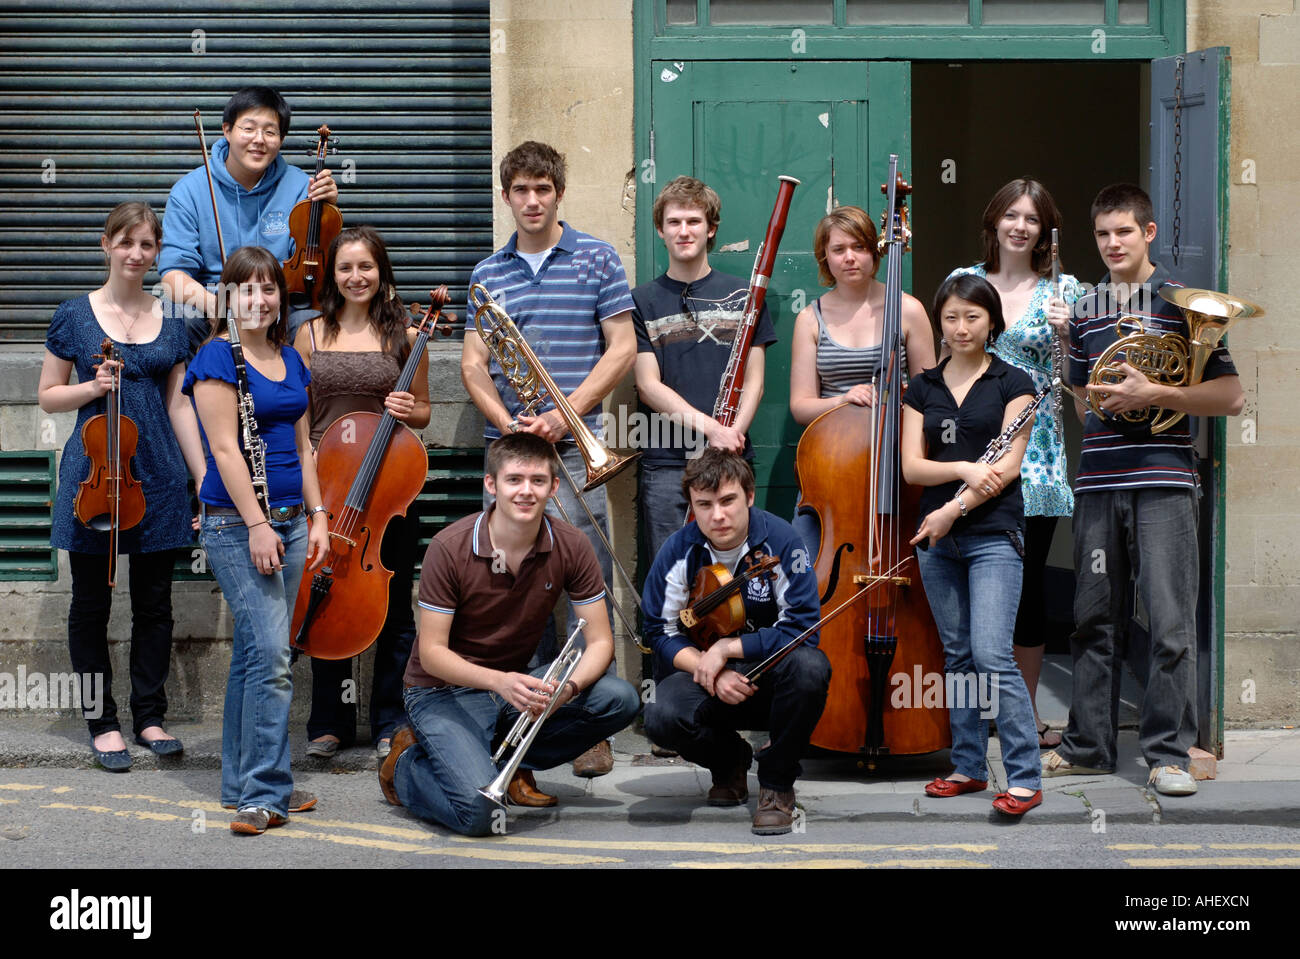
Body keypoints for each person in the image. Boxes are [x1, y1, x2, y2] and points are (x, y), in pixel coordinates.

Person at [1047, 183, 1243, 796]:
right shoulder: (1086, 308)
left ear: (1148, 232)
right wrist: (1066, 351)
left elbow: (1231, 398)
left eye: (1123, 232)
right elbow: (1085, 409)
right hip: (1101, 483)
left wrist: (1156, 394)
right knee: (1093, 620)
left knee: (1169, 623)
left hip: (1163, 480)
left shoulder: (1184, 304)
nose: (1111, 244)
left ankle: (1167, 754)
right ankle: (1088, 749)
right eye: (1102, 234)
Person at [459, 140, 636, 777]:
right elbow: (475, 364)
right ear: (507, 196)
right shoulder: (488, 273)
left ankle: (589, 728)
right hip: (514, 458)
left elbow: (620, 348)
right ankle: (517, 723)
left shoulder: (596, 257)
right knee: (508, 593)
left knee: (584, 587)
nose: (531, 201)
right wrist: (510, 425)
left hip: (575, 449)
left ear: (558, 192)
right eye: (520, 190)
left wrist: (566, 414)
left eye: (542, 189)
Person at [379, 432, 641, 836]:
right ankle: (406, 767)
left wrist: (566, 690)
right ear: (491, 485)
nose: (526, 491)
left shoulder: (571, 544)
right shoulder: (450, 547)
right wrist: (499, 682)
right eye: (514, 480)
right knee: (478, 814)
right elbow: (431, 654)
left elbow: (601, 643)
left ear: (554, 487)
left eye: (538, 481)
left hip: (514, 685)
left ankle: (508, 764)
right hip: (441, 690)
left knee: (618, 699)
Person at [38, 202, 207, 771]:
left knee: (154, 605)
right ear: (105, 244)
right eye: (126, 242)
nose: (136, 254)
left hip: (156, 475)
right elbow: (47, 395)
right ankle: (102, 722)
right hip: (93, 478)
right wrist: (92, 388)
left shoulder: (174, 321)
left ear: (158, 252)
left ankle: (149, 715)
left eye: (147, 245)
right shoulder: (74, 316)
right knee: (90, 604)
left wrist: (202, 478)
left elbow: (180, 405)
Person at [183, 246, 330, 834]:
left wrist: (317, 516)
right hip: (236, 523)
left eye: (269, 288)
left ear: (280, 298)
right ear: (229, 297)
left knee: (253, 654)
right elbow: (222, 449)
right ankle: (267, 793)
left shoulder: (293, 360)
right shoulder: (219, 358)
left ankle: (241, 781)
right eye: (246, 289)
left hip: (294, 519)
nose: (259, 299)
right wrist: (257, 524)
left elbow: (303, 448)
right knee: (272, 657)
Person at [946, 178, 1082, 748]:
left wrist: (1067, 331)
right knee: (968, 585)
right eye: (1011, 216)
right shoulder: (963, 283)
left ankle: (1018, 715)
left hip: (1038, 452)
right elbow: (942, 363)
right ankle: (969, 719)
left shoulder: (1067, 288)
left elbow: (1081, 382)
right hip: (973, 447)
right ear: (994, 221)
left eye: (1032, 219)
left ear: (1045, 229)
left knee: (1025, 588)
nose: (1020, 226)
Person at [901, 272, 1043, 816]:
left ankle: (1024, 775)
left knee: (991, 654)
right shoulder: (924, 387)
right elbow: (912, 465)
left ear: (992, 323)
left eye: (973, 317)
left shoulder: (1016, 383)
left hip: (992, 537)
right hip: (936, 541)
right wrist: (963, 467)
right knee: (957, 656)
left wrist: (950, 509)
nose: (961, 327)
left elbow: (1006, 470)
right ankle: (967, 766)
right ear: (940, 322)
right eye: (952, 317)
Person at [292, 226, 428, 761]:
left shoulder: (405, 334)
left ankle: (391, 720)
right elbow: (298, 416)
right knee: (327, 597)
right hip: (328, 486)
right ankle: (329, 721)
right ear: (332, 275)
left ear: (381, 272)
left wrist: (404, 411)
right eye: (345, 268)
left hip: (387, 490)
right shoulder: (309, 334)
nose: (356, 277)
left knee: (395, 610)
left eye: (365, 267)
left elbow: (422, 410)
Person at [641, 448, 828, 835]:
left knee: (811, 668)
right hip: (706, 678)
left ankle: (777, 785)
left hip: (771, 682)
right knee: (659, 713)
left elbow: (804, 627)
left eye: (728, 501)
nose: (717, 516)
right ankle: (730, 762)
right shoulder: (679, 549)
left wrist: (727, 649)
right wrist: (709, 668)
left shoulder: (782, 541)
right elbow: (659, 631)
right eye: (704, 505)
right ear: (692, 505)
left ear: (749, 496)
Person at [632, 175, 776, 563]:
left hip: (731, 457)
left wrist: (732, 435)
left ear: (711, 228)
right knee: (671, 575)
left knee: (735, 574)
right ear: (660, 230)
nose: (684, 231)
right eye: (674, 222)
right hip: (666, 464)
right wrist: (711, 428)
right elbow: (647, 385)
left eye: (694, 221)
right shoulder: (641, 301)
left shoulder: (746, 295)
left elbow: (756, 381)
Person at [788, 205, 936, 557]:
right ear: (825, 256)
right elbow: (800, 406)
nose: (850, 258)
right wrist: (843, 399)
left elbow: (931, 395)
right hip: (832, 468)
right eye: (838, 250)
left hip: (897, 463)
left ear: (875, 250)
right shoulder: (810, 319)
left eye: (859, 247)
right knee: (806, 568)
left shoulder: (908, 309)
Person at [159, 86, 339, 354]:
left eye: (270, 131)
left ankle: (298, 394)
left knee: (313, 325)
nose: (259, 140)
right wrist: (219, 307)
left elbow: (313, 275)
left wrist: (324, 215)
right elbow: (173, 275)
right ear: (227, 130)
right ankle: (190, 395)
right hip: (215, 301)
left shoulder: (304, 187)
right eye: (248, 128)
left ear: (281, 138)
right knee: (172, 315)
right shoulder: (189, 190)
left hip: (278, 304)